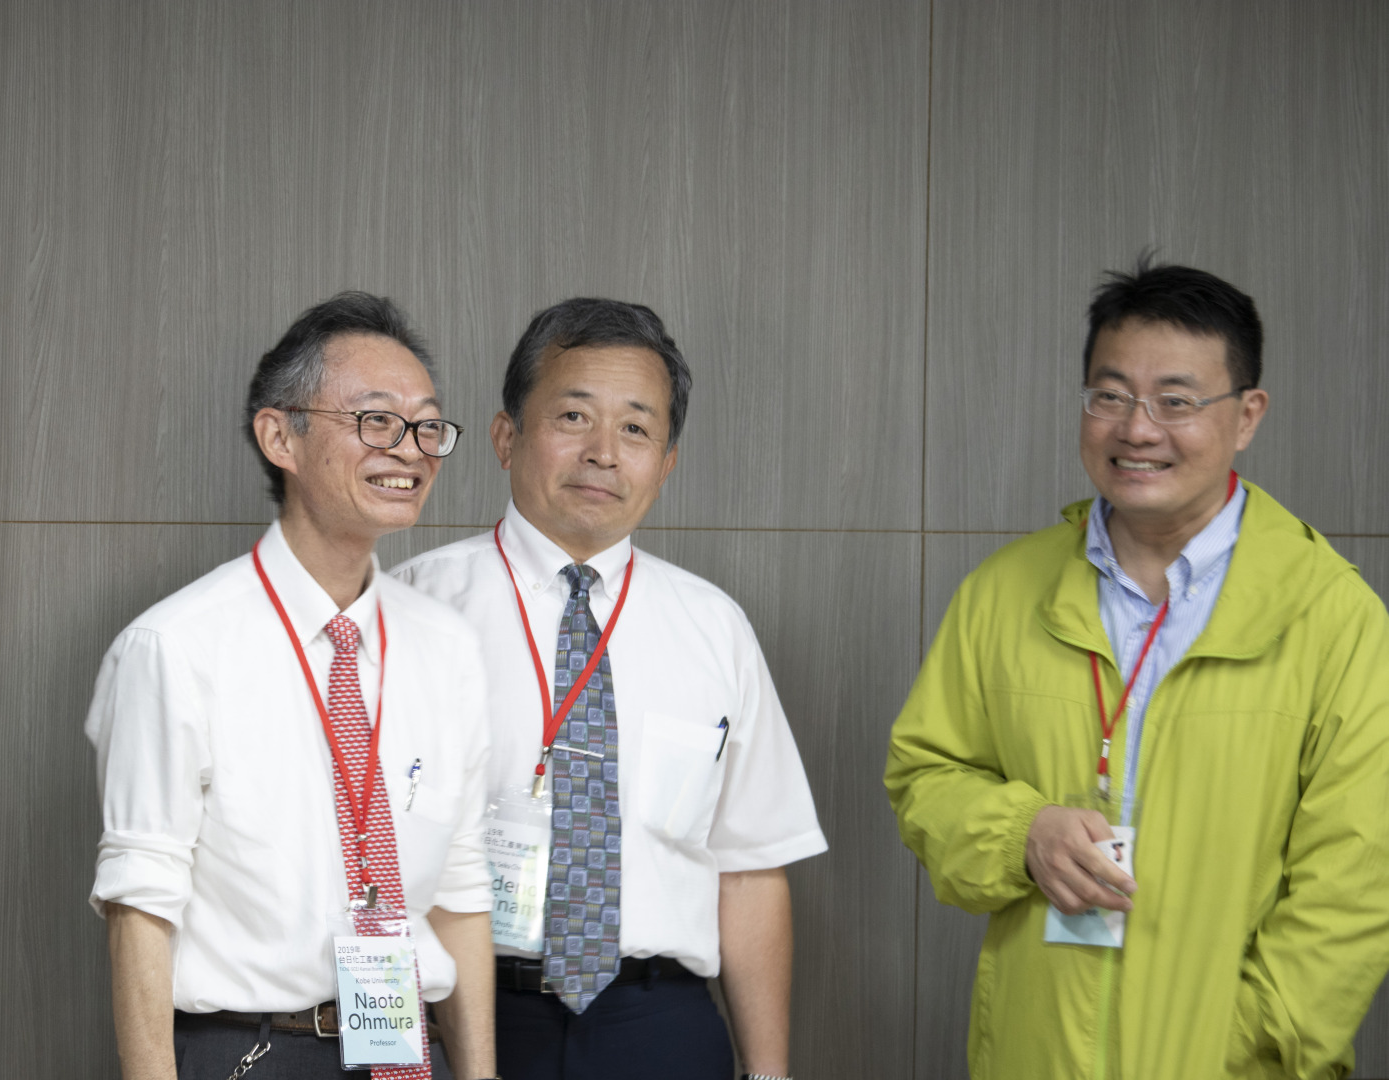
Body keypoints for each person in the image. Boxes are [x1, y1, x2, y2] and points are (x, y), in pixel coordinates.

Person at [885, 259, 1389, 1079]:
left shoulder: (1333, 616)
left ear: (1248, 415)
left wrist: (1239, 1045)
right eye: (1111, 396)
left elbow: (1358, 882)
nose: (1138, 429)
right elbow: (925, 775)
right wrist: (1021, 834)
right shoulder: (1003, 593)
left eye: (1176, 401)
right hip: (1037, 1054)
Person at [393, 298, 826, 1080]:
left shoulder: (713, 627)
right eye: (573, 416)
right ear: (505, 436)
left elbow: (751, 867)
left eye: (635, 429)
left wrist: (767, 1073)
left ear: (666, 463)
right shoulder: (411, 609)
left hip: (658, 1023)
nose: (602, 453)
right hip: (461, 1014)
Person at [86, 292, 497, 1080]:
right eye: (376, 420)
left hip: (412, 1050)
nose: (411, 450)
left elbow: (460, 888)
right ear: (280, 436)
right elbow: (140, 906)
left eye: (426, 426)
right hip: (255, 1050)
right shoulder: (176, 647)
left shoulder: (447, 647)